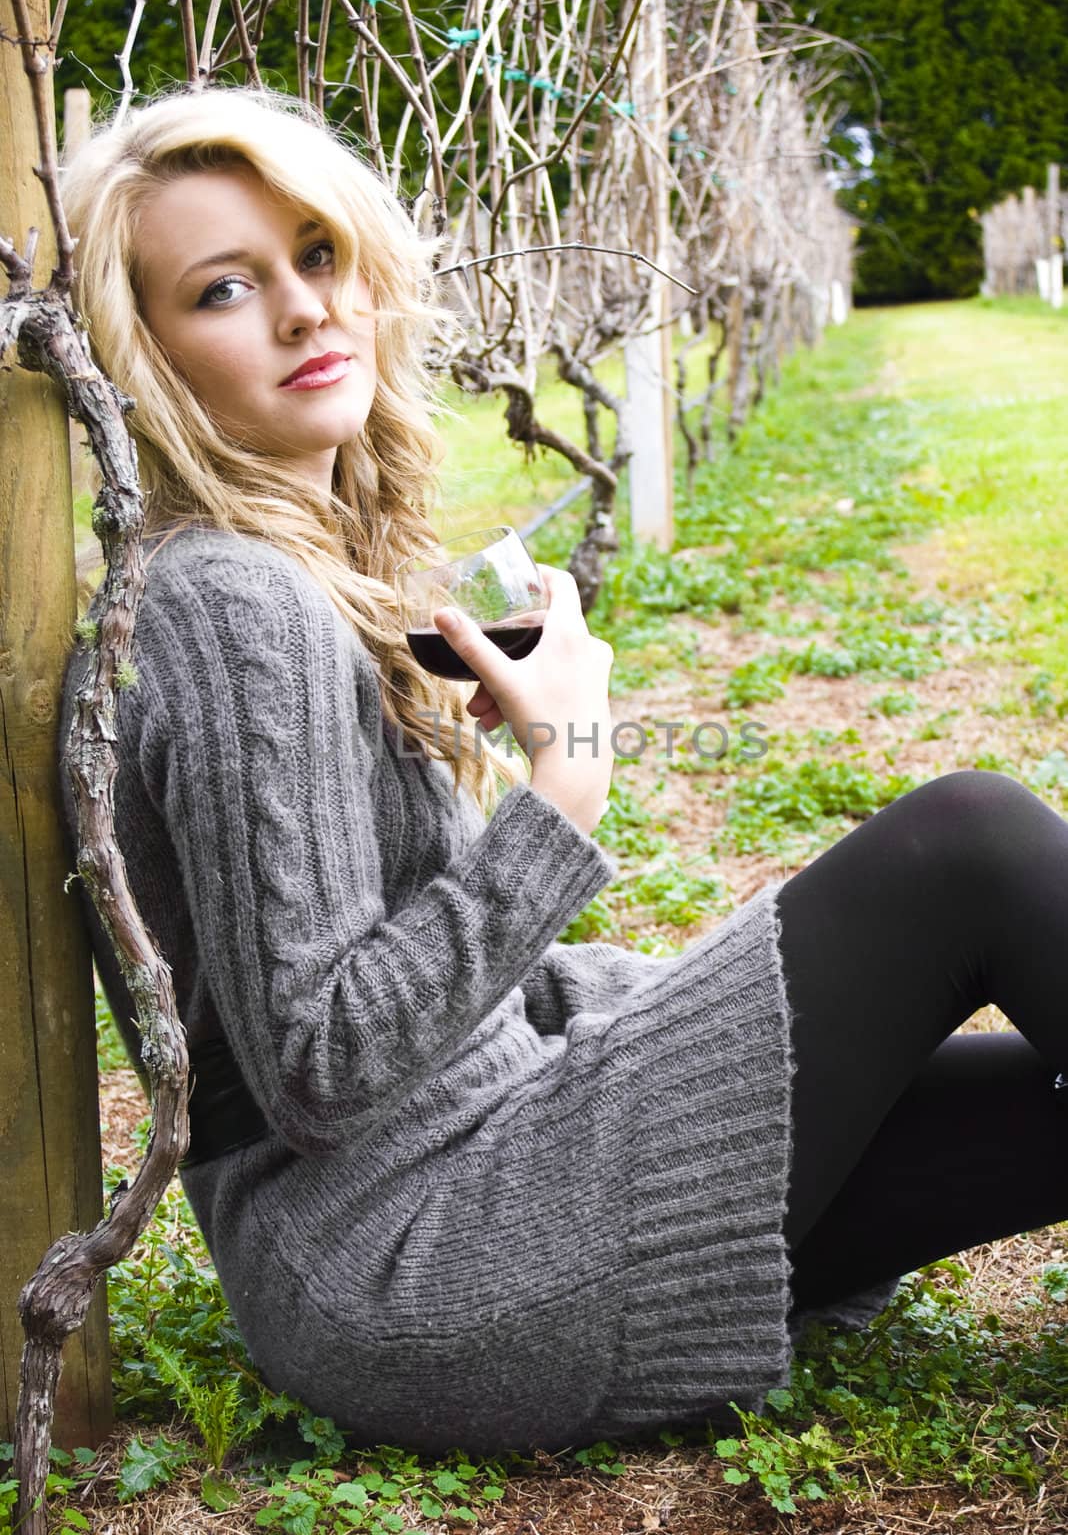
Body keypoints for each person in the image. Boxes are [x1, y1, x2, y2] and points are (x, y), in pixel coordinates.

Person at [56, 86, 1068, 1460]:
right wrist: (562, 785)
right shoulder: (229, 603)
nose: (304, 309)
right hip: (418, 1257)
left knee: (1037, 1102)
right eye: (225, 289)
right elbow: (317, 1071)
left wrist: (682, 1015)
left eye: (319, 254)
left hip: (487, 1180)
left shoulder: (298, 576)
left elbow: (423, 997)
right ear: (148, 357)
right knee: (971, 842)